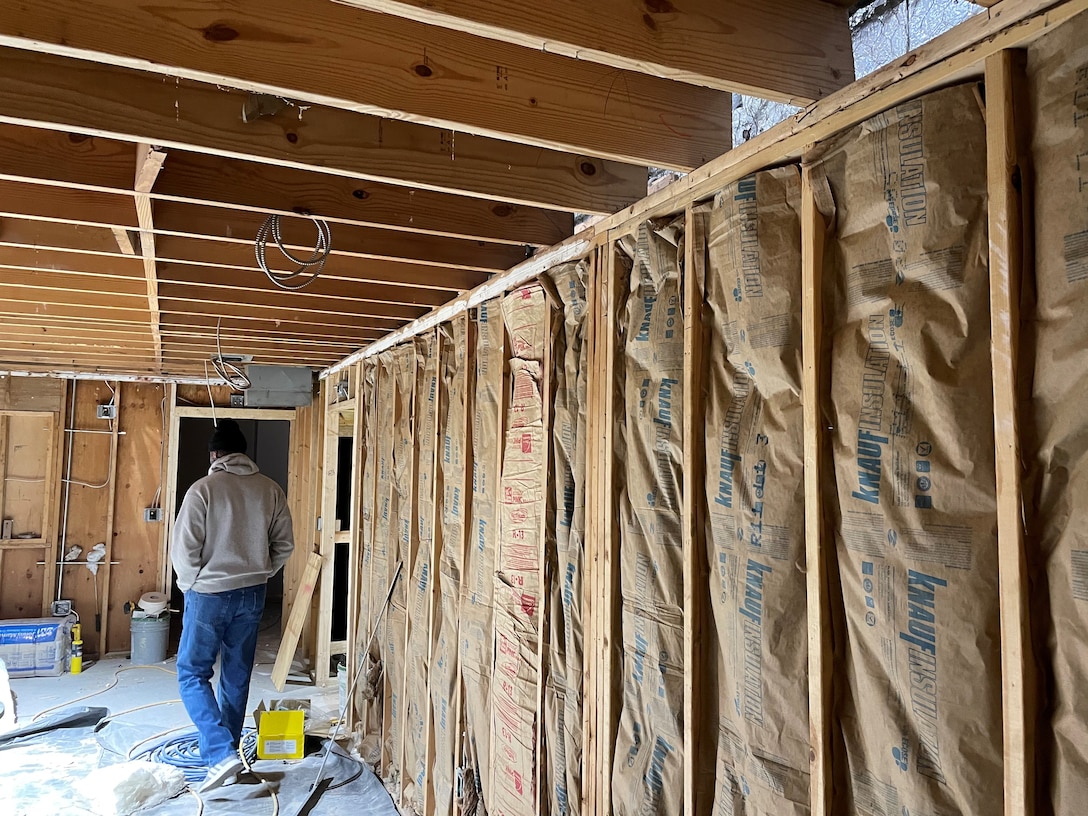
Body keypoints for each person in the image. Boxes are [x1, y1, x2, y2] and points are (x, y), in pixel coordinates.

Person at [171, 418, 294, 792]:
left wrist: (192, 584)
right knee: (236, 674)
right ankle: (229, 753)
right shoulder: (270, 490)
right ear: (243, 453)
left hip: (208, 593)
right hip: (253, 592)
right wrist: (260, 572)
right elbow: (284, 545)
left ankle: (220, 753)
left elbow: (184, 550)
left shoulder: (202, 490)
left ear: (214, 454)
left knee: (191, 672)